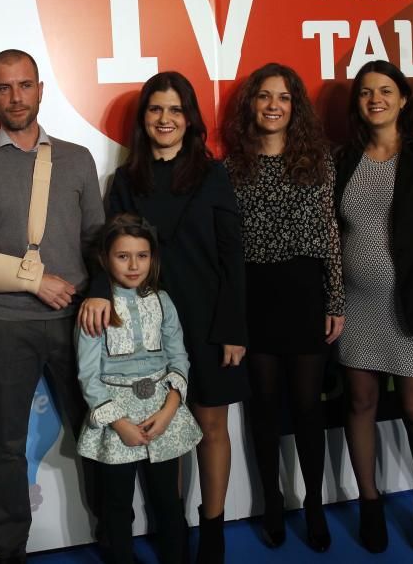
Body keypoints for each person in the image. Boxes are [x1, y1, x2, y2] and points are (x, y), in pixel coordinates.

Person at [79, 71, 247, 563]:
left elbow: (233, 255)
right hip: (144, 326)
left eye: (175, 110)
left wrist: (234, 328)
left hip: (208, 319)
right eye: (156, 109)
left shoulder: (213, 174)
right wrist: (97, 294)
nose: (165, 119)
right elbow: (104, 249)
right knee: (161, 425)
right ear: (143, 119)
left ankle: (212, 529)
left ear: (189, 118)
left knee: (213, 427)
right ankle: (170, 527)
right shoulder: (126, 181)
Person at [0, 48, 105, 563]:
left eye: (25, 85)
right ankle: (12, 549)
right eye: (4, 87)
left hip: (77, 321)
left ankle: (114, 534)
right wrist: (33, 281)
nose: (16, 97)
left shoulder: (78, 158)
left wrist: (98, 292)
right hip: (6, 326)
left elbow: (97, 242)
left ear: (41, 89)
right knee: (8, 446)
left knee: (98, 433)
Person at [334, 60, 413, 555]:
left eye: (385, 90)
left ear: (403, 99)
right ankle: (369, 501)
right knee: (360, 404)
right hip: (356, 305)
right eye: (366, 92)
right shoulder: (344, 158)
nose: (375, 99)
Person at [223, 63, 343, 552]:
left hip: (305, 292)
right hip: (256, 295)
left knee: (308, 408)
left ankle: (314, 503)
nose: (274, 105)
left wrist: (335, 298)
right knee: (265, 410)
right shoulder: (231, 167)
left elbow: (331, 235)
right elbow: (226, 249)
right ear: (251, 104)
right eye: (265, 96)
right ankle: (273, 502)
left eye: (285, 97)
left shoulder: (320, 162)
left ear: (296, 107)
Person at [76, 213, 202, 564]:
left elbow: (179, 358)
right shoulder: (95, 309)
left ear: (153, 258)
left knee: (167, 497)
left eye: (142, 256)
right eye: (122, 256)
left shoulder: (163, 301)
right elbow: (88, 374)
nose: (133, 265)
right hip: (118, 422)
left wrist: (168, 411)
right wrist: (120, 425)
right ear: (105, 259)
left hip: (163, 413)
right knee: (116, 502)